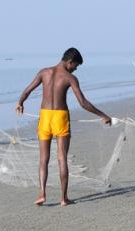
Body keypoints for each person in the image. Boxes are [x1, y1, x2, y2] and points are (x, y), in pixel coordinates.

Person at [16, 48, 111, 206]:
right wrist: (102, 115)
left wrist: (20, 103)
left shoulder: (44, 72)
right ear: (70, 61)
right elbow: (83, 103)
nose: (75, 69)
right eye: (76, 65)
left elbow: (27, 91)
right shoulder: (70, 78)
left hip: (45, 117)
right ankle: (63, 198)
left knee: (43, 159)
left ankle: (42, 194)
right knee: (62, 159)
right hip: (60, 117)